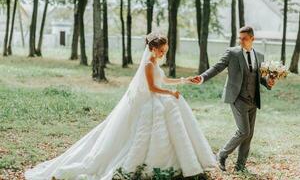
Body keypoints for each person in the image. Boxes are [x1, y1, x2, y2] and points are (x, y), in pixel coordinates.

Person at [25, 32, 216, 180]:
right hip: (149, 101)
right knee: (151, 123)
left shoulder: (154, 63)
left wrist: (184, 80)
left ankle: (171, 163)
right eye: (161, 51)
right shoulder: (149, 65)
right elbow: (152, 87)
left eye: (164, 51)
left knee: (173, 109)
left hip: (156, 101)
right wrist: (170, 93)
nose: (163, 54)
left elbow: (164, 79)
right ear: (153, 49)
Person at [192, 26, 275, 172]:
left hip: (253, 99)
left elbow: (260, 78)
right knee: (244, 131)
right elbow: (218, 67)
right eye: (240, 38)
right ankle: (222, 154)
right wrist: (203, 77)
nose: (241, 41)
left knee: (249, 135)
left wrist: (268, 82)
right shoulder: (232, 53)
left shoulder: (260, 56)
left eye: (245, 38)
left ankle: (240, 166)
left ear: (252, 39)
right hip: (237, 97)